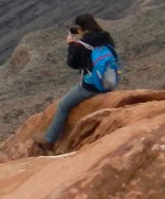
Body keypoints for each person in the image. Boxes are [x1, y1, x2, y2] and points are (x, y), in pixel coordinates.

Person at [35, 13, 116, 152]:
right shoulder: (106, 36)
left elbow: (73, 63)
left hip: (91, 85)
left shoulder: (83, 44)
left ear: (79, 28)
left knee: (63, 106)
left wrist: (72, 45)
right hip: (109, 81)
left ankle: (49, 140)